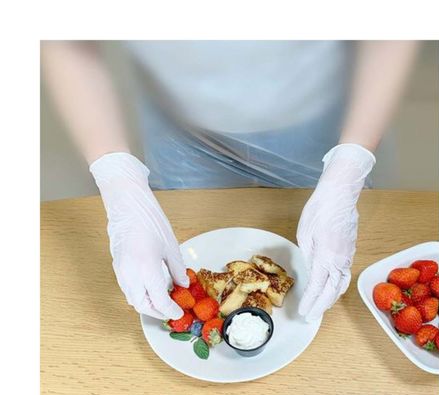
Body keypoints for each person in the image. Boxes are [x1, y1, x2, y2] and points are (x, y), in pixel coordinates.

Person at [41, 40, 417, 322]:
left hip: (324, 121)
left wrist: (349, 166)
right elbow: (66, 40)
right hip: (179, 128)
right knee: (177, 259)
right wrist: (117, 179)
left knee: (326, 275)